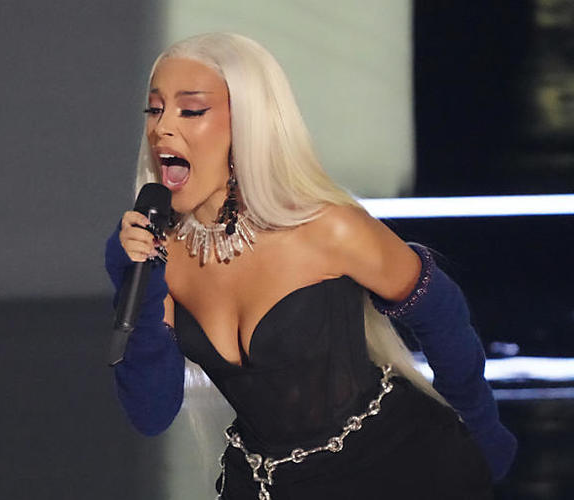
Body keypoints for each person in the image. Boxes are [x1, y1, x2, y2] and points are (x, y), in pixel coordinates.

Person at [104, 33, 516, 499]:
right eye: (155, 110)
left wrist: (482, 431)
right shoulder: (156, 255)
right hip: (266, 483)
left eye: (191, 110)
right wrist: (137, 285)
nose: (162, 128)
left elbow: (441, 311)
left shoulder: (326, 227)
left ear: (249, 123)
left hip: (402, 470)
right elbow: (150, 413)